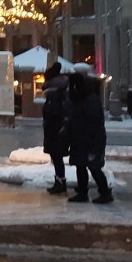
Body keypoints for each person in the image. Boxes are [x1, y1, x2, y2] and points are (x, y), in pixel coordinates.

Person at [66, 68, 112, 204]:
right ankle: (82, 192)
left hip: (90, 140)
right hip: (79, 139)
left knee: (94, 167)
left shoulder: (89, 100)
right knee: (80, 166)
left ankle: (105, 192)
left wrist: (94, 144)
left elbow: (94, 124)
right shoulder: (79, 99)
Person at [40, 62, 71, 194]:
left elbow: (50, 113)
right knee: (57, 157)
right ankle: (60, 181)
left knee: (56, 156)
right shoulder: (64, 90)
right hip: (60, 127)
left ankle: (60, 183)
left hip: (55, 129)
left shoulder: (53, 94)